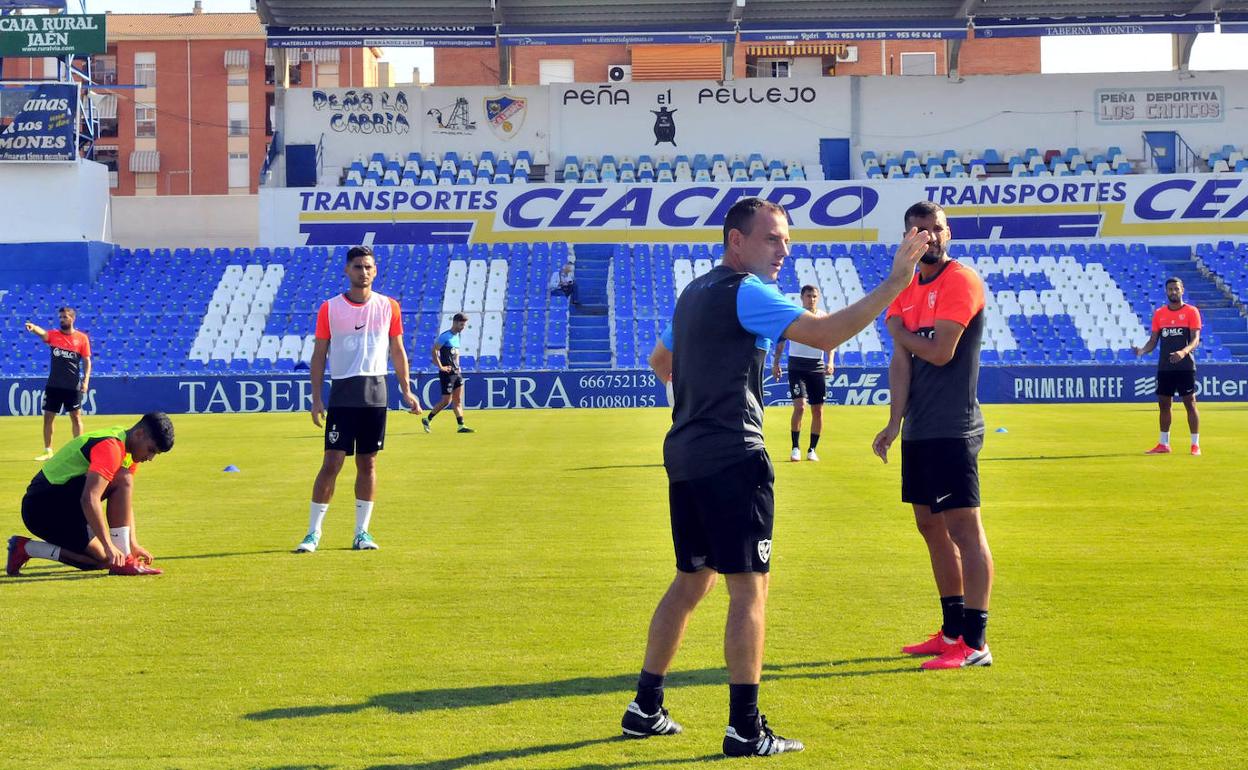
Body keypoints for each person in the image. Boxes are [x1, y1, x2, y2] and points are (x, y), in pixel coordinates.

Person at [620, 197, 928, 756]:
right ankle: (744, 727)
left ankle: (645, 706)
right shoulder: (747, 292)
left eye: (786, 239)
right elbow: (827, 334)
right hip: (733, 456)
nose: (784, 249)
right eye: (772, 239)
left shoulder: (694, 292)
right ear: (736, 242)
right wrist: (896, 281)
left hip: (686, 453)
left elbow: (659, 363)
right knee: (749, 589)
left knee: (692, 579)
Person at [872, 200, 995, 671]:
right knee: (930, 528)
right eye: (920, 231)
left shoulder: (960, 280)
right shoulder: (905, 289)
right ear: (907, 238)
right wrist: (894, 422)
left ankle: (976, 641)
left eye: (937, 229)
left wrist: (898, 329)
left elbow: (941, 352)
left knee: (965, 529)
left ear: (949, 233)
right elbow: (901, 362)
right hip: (921, 428)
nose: (930, 236)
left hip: (954, 425)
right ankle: (951, 631)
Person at [296, 245, 421, 554]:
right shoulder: (330, 308)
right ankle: (313, 533)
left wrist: (406, 389)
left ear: (375, 270)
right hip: (342, 394)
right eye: (357, 267)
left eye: (368, 267)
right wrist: (316, 398)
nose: (363, 272)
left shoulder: (389, 306)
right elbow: (319, 355)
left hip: (376, 393)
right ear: (346, 270)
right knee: (332, 463)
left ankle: (361, 533)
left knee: (368, 463)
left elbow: (397, 350)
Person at [7, 412, 175, 577]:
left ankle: (25, 548)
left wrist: (133, 544)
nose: (151, 457)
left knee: (105, 561)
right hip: (42, 508)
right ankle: (126, 562)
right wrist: (108, 545)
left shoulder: (128, 448)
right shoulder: (111, 446)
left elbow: (124, 500)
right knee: (111, 555)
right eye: (151, 450)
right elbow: (90, 498)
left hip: (66, 505)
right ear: (139, 434)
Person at [1132, 278, 1202, 455]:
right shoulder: (1159, 314)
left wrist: (1183, 352)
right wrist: (1142, 351)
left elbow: (1195, 339)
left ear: (1182, 290)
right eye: (1170, 289)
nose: (1173, 292)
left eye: (1176, 289)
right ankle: (1164, 444)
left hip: (1185, 366)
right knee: (1164, 405)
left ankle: (1195, 444)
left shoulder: (1191, 312)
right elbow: (1153, 341)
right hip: (1165, 367)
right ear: (1166, 291)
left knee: (1190, 404)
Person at [771, 285, 836, 462]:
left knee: (818, 410)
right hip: (796, 366)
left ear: (818, 297)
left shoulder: (824, 317)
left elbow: (831, 342)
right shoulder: (794, 316)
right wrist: (776, 363)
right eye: (808, 296)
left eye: (814, 296)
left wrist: (830, 362)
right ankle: (795, 447)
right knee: (800, 407)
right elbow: (781, 342)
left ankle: (812, 449)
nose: (812, 299)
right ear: (802, 297)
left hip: (816, 367)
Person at [25, 307, 92, 461]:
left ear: (72, 319)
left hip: (72, 386)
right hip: (54, 384)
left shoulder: (81, 338)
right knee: (48, 418)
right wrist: (34, 327)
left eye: (65, 317)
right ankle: (48, 450)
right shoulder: (54, 336)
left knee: (76, 418)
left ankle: (78, 450)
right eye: (60, 317)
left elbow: (87, 361)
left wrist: (86, 380)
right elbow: (43, 334)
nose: (62, 319)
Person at [421, 313, 474, 434]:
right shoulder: (445, 336)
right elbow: (434, 350)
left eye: (464, 325)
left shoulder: (456, 337)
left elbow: (456, 354)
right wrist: (440, 367)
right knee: (446, 401)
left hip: (456, 372)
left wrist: (458, 366)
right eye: (461, 324)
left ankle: (461, 426)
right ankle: (427, 419)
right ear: (455, 322)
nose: (462, 327)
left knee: (458, 400)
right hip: (447, 373)